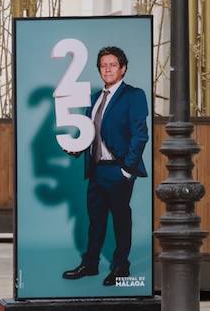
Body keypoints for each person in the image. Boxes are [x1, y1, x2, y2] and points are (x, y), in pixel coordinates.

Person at [62, 45, 148, 286]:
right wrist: (76, 148)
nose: (107, 69)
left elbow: (140, 135)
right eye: (103, 65)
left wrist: (127, 169)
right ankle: (90, 264)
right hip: (96, 169)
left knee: (121, 219)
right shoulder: (95, 98)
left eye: (112, 65)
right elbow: (91, 133)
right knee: (95, 220)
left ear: (123, 69)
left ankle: (121, 265)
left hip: (118, 169)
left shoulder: (134, 95)